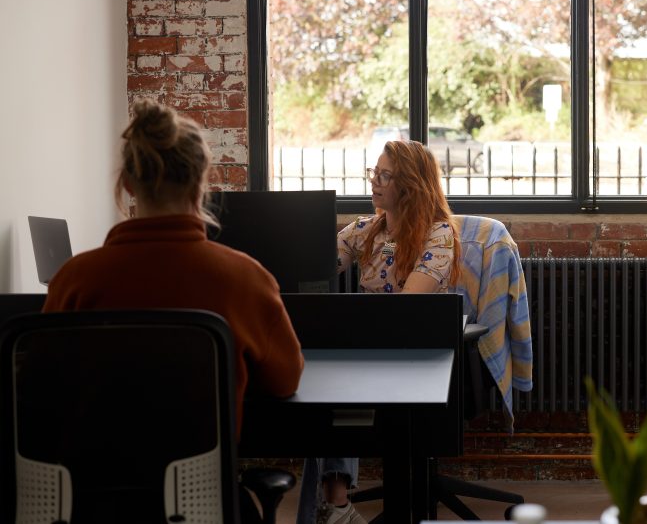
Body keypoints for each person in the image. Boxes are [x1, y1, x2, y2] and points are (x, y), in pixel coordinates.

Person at [44, 99, 304, 521]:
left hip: (89, 506)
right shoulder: (246, 279)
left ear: (128, 183)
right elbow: (285, 380)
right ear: (202, 183)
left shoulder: (74, 279)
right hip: (200, 505)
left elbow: (46, 391)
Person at [297, 139, 461, 524]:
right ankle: (333, 507)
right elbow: (315, 268)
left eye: (385, 175)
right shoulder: (364, 230)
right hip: (367, 347)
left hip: (415, 355)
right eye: (374, 173)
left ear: (410, 185)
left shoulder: (437, 236)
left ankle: (331, 508)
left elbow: (406, 306)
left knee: (335, 385)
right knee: (320, 388)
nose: (375, 182)